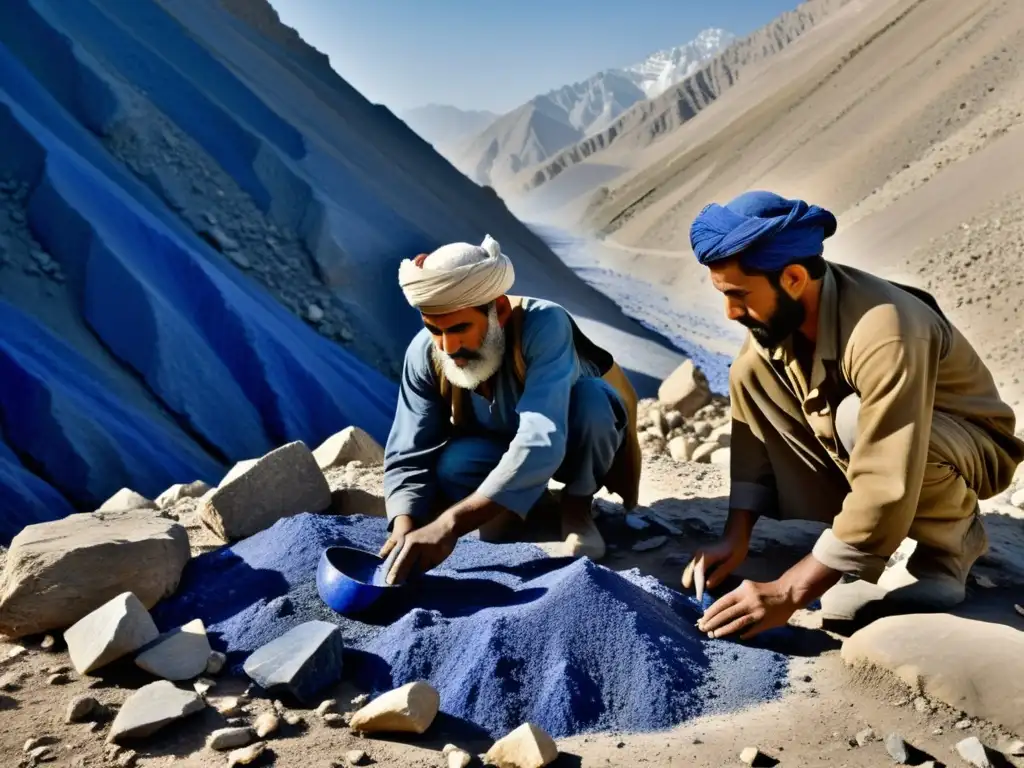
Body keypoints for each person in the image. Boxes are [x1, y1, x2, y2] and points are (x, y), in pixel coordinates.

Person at [680, 190, 1024, 638]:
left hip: (968, 443)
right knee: (749, 371)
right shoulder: (781, 319)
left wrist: (788, 591)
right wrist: (736, 535)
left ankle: (950, 548)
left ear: (794, 278)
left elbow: (884, 465)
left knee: (854, 418)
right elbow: (754, 433)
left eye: (739, 295)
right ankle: (868, 537)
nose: (730, 312)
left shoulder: (886, 329)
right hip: (887, 436)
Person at [378, 234, 642, 585]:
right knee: (455, 464)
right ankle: (519, 507)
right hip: (497, 444)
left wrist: (450, 524)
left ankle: (577, 509)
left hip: (568, 437)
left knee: (593, 401)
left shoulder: (544, 325)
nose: (448, 346)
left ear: (498, 311)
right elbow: (408, 448)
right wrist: (403, 526)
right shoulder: (425, 353)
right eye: (434, 330)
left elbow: (541, 435)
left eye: (460, 328)